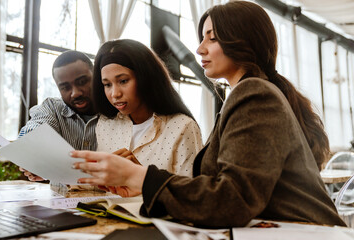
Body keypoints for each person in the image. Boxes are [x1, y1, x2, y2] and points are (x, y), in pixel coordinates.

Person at [71, 1, 345, 227]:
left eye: (211, 38)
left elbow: (232, 199)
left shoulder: (254, 94)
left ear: (242, 41)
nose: (200, 48)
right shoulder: (247, 95)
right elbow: (221, 188)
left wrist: (140, 178)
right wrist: (146, 185)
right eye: (202, 38)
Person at [92, 39, 202, 181]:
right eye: (107, 84)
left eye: (123, 81)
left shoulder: (182, 127)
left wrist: (143, 177)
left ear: (146, 78)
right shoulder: (106, 124)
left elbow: (192, 195)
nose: (114, 94)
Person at [19, 50, 98, 181]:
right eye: (65, 87)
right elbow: (36, 126)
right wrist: (32, 149)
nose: (75, 93)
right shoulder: (52, 108)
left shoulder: (118, 109)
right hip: (62, 199)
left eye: (82, 82)